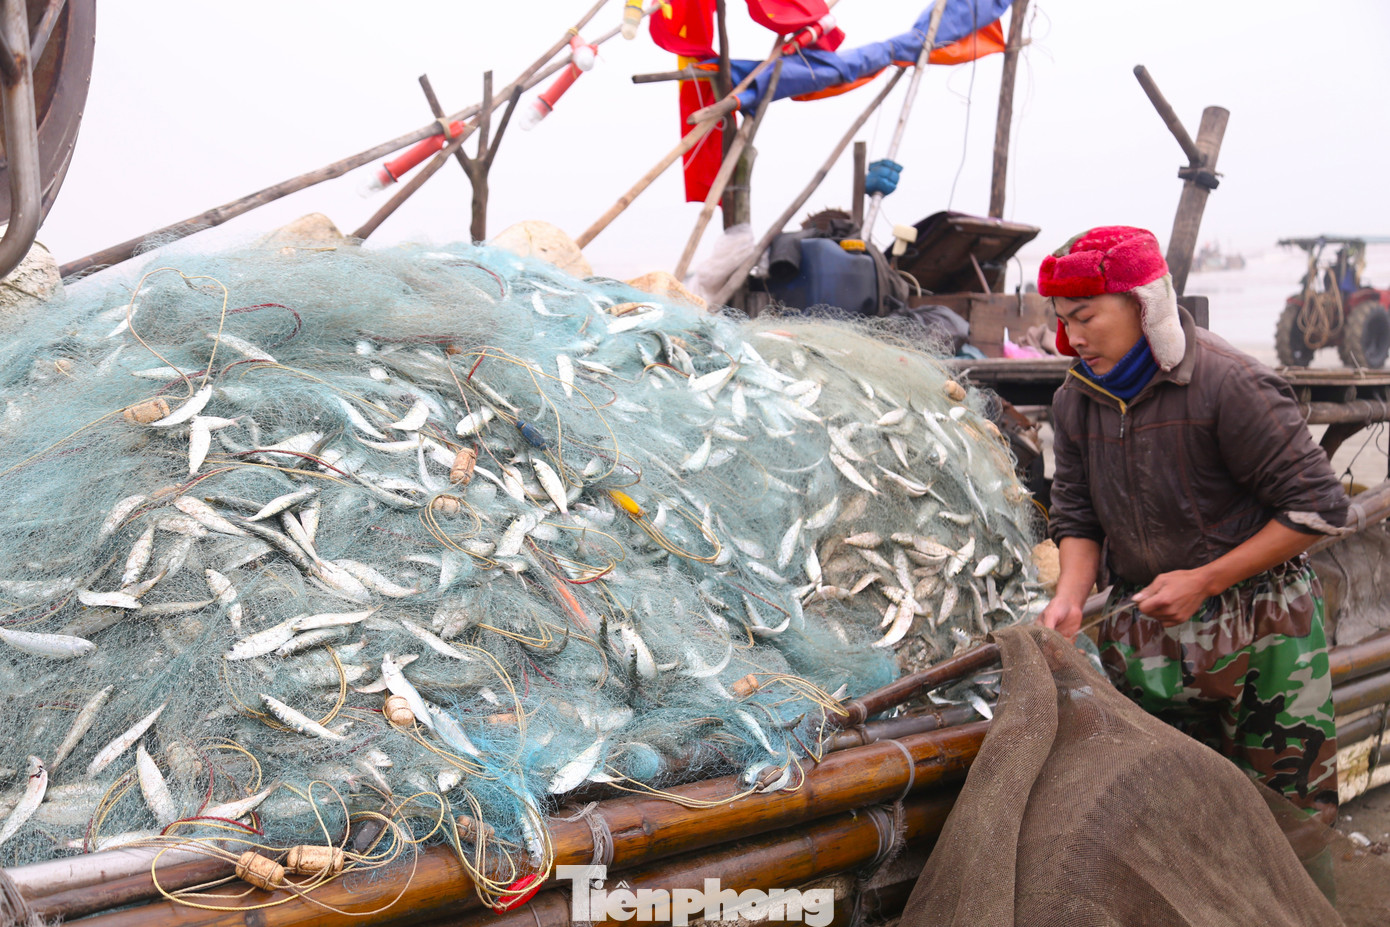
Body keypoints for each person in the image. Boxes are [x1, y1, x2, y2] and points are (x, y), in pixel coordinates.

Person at [1037, 226, 1349, 823]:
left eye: (1086, 317)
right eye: (1062, 320)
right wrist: (1071, 598)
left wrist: (1204, 581)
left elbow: (1317, 509)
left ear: (1142, 304)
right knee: (1170, 821)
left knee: (1289, 820)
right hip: (1145, 628)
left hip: (1261, 627)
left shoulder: (1230, 383)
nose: (1072, 339)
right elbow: (1077, 514)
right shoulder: (1074, 401)